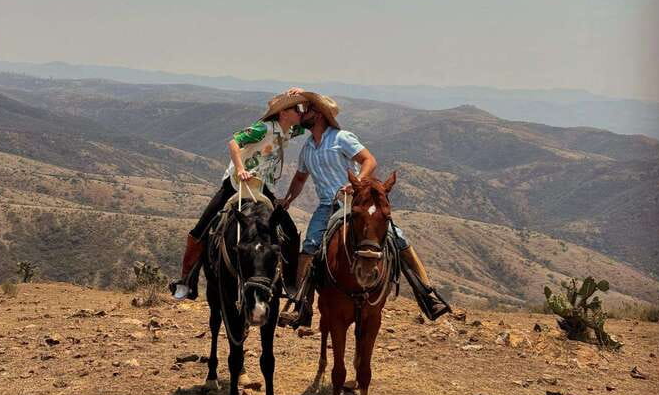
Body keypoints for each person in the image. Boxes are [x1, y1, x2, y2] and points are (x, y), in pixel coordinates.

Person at [275, 89, 451, 327]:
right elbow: (299, 179)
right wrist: (288, 199)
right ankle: (301, 306)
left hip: (353, 202)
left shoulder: (342, 138)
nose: (303, 114)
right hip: (328, 204)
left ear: (319, 114)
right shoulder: (307, 148)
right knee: (310, 245)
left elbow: (369, 160)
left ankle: (427, 294)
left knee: (397, 238)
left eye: (307, 110)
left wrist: (355, 184)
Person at [169, 92, 309, 300]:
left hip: (262, 187)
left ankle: (287, 284)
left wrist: (303, 95)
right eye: (298, 109)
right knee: (203, 228)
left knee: (288, 230)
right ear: (284, 112)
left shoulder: (288, 130)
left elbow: (314, 116)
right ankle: (186, 280)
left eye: (302, 109)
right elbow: (234, 142)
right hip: (237, 184)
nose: (302, 113)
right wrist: (241, 168)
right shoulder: (264, 128)